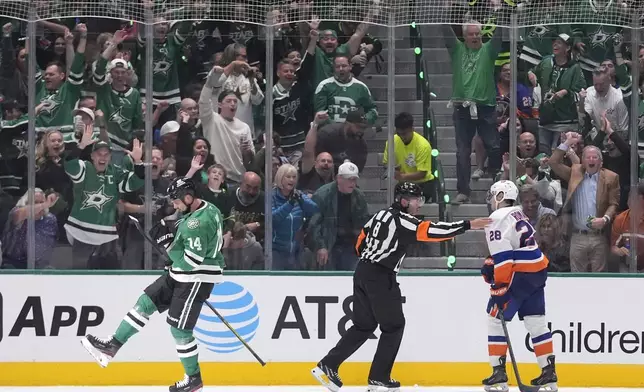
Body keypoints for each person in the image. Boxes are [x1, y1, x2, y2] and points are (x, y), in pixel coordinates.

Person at [311, 181, 492, 392]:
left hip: (362, 271)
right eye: (416, 200)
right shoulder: (404, 221)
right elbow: (433, 231)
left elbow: (361, 241)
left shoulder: (380, 215)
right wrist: (469, 225)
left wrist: (371, 258)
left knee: (364, 325)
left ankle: (328, 365)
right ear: (404, 201)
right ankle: (378, 377)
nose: (419, 205)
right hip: (381, 275)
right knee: (394, 325)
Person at [80, 177, 225, 392]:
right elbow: (188, 250)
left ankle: (193, 379)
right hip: (182, 273)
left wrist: (168, 247)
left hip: (196, 277)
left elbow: (192, 261)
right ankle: (112, 346)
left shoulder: (197, 222)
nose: (174, 205)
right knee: (145, 303)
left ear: (188, 197)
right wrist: (173, 249)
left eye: (176, 201)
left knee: (180, 329)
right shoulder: (206, 209)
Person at [481, 180, 557, 392]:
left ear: (500, 196)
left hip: (520, 274)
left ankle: (498, 374)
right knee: (536, 322)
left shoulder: (496, 217)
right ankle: (549, 374)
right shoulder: (518, 213)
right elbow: (514, 246)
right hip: (537, 271)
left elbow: (504, 257)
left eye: (493, 194)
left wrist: (500, 285)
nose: (491, 199)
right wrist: (491, 263)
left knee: (495, 318)